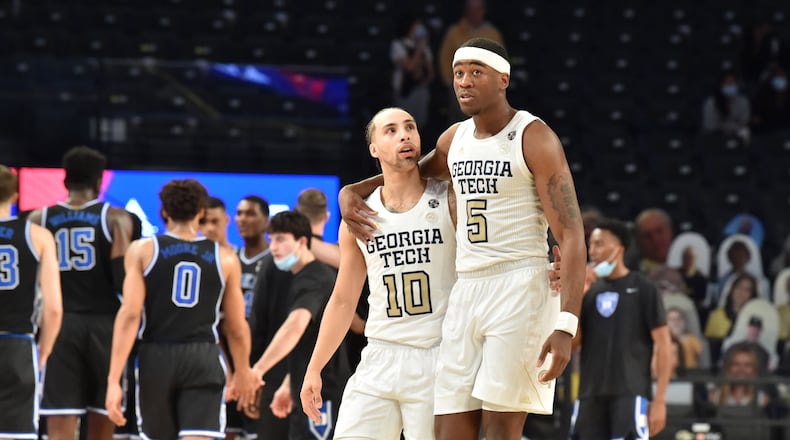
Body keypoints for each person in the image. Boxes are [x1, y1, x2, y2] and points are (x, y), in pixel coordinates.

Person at [340, 38, 587, 439]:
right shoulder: (454, 139)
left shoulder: (534, 137)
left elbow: (572, 233)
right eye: (458, 74)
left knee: (498, 432)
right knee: (447, 431)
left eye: (477, 72)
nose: (464, 82)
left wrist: (566, 324)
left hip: (520, 283)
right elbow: (409, 174)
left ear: (503, 78)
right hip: (467, 289)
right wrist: (352, 190)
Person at [301, 107, 457, 439]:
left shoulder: (449, 200)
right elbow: (343, 300)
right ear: (374, 149)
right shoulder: (359, 216)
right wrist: (314, 368)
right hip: (379, 354)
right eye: (390, 130)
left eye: (410, 127)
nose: (404, 135)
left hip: (438, 356)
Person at [105, 178, 261, 437]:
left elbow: (130, 315)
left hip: (156, 354)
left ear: (164, 211)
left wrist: (113, 380)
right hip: (203, 355)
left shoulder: (143, 250)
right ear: (201, 213)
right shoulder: (225, 257)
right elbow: (235, 325)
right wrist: (243, 370)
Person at [26, 146, 138, 440]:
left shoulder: (38, 219)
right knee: (103, 413)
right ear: (100, 181)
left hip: (58, 324)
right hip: (104, 325)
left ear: (65, 180)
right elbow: (122, 283)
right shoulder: (116, 219)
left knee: (59, 417)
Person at [249, 211, 350, 439]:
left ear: (302, 241)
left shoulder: (314, 278)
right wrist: (287, 385)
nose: (273, 247)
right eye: (271, 239)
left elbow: (295, 327)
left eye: (281, 239)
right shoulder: (303, 275)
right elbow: (307, 341)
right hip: (307, 385)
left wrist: (258, 370)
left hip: (326, 389)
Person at [571, 218, 672, 439]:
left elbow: (664, 346)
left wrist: (660, 400)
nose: (592, 251)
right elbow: (573, 344)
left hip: (631, 393)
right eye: (590, 244)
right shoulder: (587, 292)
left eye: (599, 244)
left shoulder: (644, 288)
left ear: (619, 249)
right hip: (589, 394)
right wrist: (578, 296)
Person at [0, 165, 63, 438]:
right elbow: (53, 308)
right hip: (18, 344)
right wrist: (44, 351)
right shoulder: (38, 236)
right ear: (15, 195)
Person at [225, 195, 270, 439]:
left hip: (262, 357)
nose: (242, 219)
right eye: (239, 213)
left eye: (250, 213)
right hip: (232, 358)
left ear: (266, 221)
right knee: (228, 431)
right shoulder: (229, 259)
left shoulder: (276, 261)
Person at [437, 0, 504, 125]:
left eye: (478, 9)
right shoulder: (454, 32)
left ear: (483, 11)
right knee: (459, 123)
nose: (474, 13)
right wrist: (448, 81)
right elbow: (444, 57)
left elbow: (501, 60)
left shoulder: (493, 34)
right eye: (471, 9)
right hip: (460, 87)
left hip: (486, 89)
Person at [391, 12, 435, 129]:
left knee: (420, 125)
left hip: (421, 91)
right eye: (417, 25)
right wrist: (419, 49)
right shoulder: (398, 45)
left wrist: (423, 80)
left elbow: (430, 71)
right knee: (405, 124)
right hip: (405, 92)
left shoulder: (425, 47)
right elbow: (409, 67)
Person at [701, 71, 751, 142]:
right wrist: (730, 126)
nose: (730, 85)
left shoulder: (743, 101)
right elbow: (710, 125)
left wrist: (731, 127)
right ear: (721, 85)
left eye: (733, 83)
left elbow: (744, 121)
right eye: (727, 83)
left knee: (746, 134)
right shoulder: (711, 102)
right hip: (715, 137)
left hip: (736, 134)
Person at [632, 208, 674, 273]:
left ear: (670, 231)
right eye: (647, 236)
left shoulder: (689, 262)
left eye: (659, 231)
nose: (655, 239)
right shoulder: (637, 280)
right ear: (639, 243)